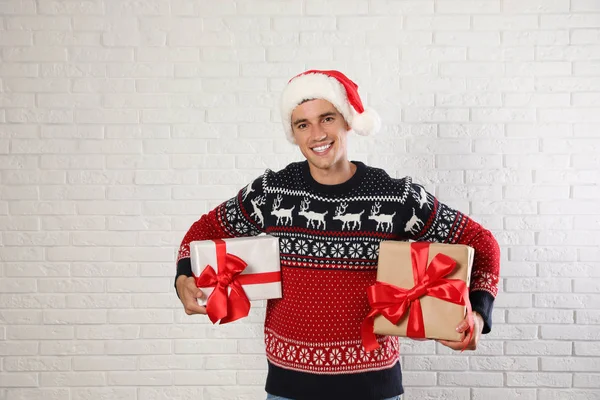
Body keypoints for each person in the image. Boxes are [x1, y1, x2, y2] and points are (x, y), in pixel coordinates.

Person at [175, 70, 500, 400]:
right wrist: (183, 277)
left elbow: (481, 241)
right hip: (289, 388)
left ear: (347, 121)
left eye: (326, 118)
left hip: (374, 388)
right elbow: (205, 230)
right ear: (294, 133)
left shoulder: (396, 197)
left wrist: (476, 311)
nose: (317, 134)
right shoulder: (270, 193)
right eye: (303, 124)